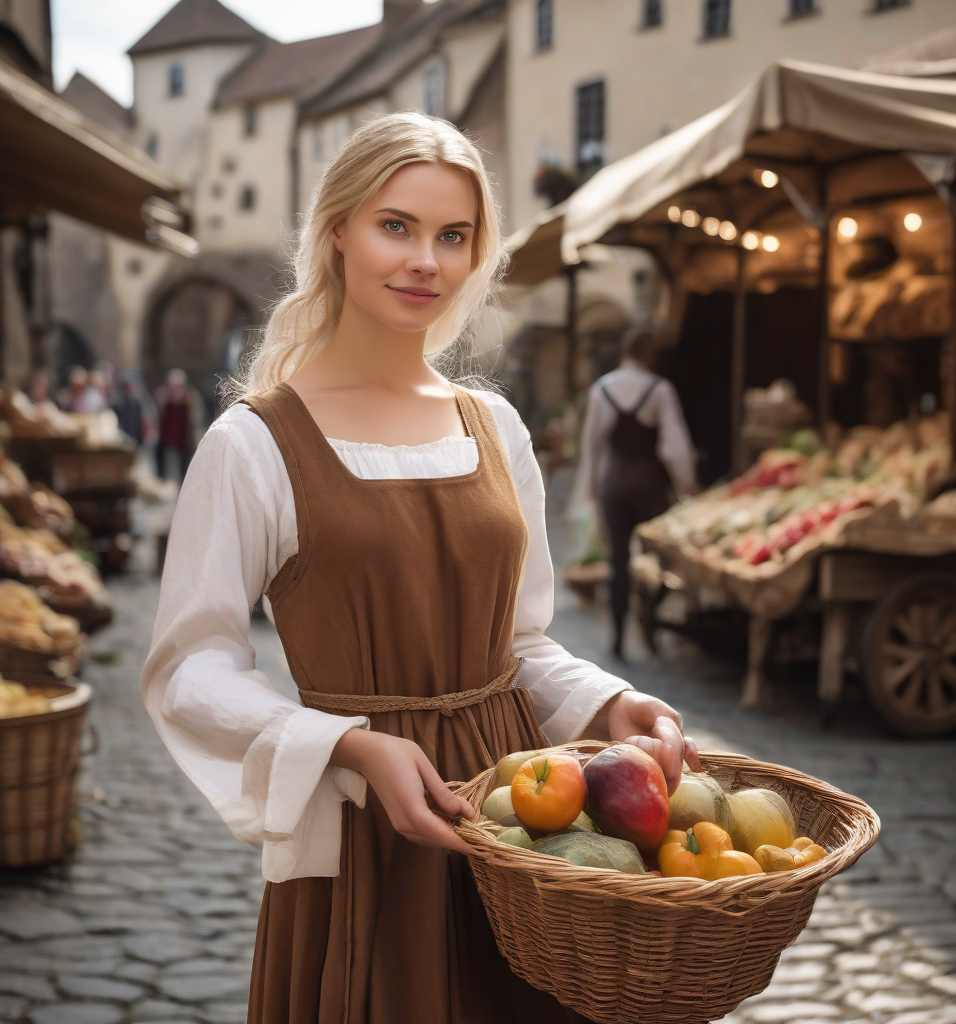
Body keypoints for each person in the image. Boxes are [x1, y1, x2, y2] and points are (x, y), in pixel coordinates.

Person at [142, 113, 700, 1024]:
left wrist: (607, 703)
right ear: (337, 233)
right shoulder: (253, 444)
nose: (426, 262)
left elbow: (519, 644)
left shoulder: (495, 427)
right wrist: (349, 745)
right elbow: (189, 667)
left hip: (526, 822)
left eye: (453, 236)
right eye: (394, 226)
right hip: (367, 820)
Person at [581, 326, 697, 660]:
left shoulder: (603, 388)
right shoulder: (660, 389)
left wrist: (591, 490)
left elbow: (593, 446)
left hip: (614, 482)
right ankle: (650, 627)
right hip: (649, 483)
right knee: (661, 559)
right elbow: (675, 447)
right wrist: (686, 485)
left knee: (619, 562)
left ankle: (617, 640)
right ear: (649, 355)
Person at [152, 368, 198, 481]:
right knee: (162, 462)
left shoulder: (190, 396)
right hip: (164, 435)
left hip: (182, 437)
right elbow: (155, 413)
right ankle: (162, 480)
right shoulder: (162, 394)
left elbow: (196, 416)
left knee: (184, 465)